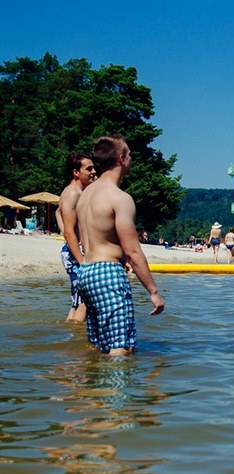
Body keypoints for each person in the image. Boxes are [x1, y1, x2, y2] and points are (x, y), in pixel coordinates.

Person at [76, 134, 165, 355]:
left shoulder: (86, 195)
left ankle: (93, 388)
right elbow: (133, 251)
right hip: (107, 272)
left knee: (99, 346)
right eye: (129, 154)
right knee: (122, 348)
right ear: (120, 159)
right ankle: (116, 389)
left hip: (86, 272)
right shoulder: (119, 198)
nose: (131, 158)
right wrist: (153, 292)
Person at [56, 152, 97, 322]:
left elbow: (59, 213)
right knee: (85, 303)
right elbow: (69, 231)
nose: (94, 171)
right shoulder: (73, 193)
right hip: (75, 253)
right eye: (89, 168)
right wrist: (81, 260)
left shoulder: (77, 192)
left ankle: (70, 339)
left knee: (77, 303)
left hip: (74, 250)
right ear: (76, 172)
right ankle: (77, 346)